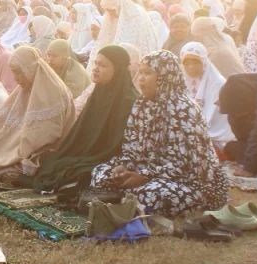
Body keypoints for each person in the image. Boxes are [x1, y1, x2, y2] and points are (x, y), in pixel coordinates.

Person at [89, 51, 229, 217]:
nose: (141, 78)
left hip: (191, 181)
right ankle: (126, 198)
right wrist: (125, 165)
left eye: (148, 73)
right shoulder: (142, 105)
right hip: (149, 172)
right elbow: (132, 147)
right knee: (100, 174)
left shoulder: (184, 110)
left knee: (149, 196)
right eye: (140, 72)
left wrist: (144, 177)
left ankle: (130, 200)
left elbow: (183, 164)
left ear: (165, 76)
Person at [21, 45, 139, 195]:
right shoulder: (99, 91)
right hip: (90, 153)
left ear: (118, 70)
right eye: (95, 63)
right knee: (53, 163)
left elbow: (118, 144)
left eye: (103, 65)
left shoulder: (129, 101)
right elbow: (83, 132)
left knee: (83, 172)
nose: (95, 68)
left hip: (112, 159)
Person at [0, 46, 76, 183]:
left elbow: (43, 138)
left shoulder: (53, 92)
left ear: (29, 69)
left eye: (18, 73)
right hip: (20, 145)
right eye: (13, 73)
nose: (16, 79)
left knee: (3, 172)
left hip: (42, 152)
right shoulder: (24, 89)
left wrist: (11, 151)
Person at [179, 42, 235, 150]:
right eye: (186, 63)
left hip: (216, 134)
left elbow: (218, 120)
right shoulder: (181, 82)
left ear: (204, 62)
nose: (191, 67)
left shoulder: (218, 84)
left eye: (196, 62)